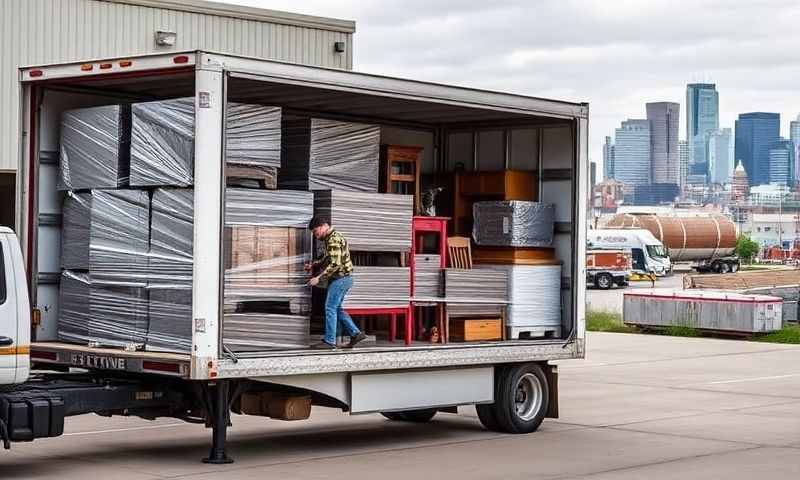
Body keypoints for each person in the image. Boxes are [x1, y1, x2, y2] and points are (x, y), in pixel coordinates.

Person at [305, 216, 367, 350]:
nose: (316, 236)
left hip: (341, 279)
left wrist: (318, 278)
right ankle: (355, 333)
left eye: (316, 232)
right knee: (336, 308)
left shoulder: (333, 239)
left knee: (330, 308)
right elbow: (327, 257)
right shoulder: (331, 238)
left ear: (323, 226)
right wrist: (313, 265)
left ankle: (329, 341)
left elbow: (335, 264)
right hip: (344, 278)